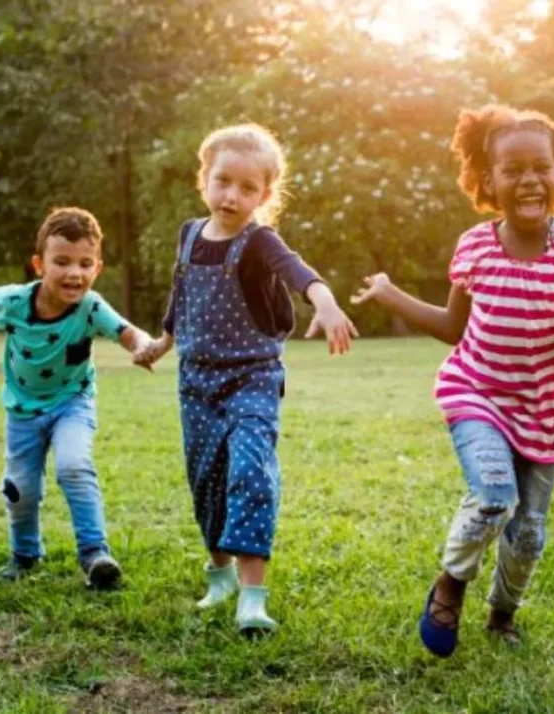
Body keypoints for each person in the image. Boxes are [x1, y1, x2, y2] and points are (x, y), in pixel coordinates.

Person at [352, 104, 554, 657]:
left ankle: (502, 614)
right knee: (493, 498)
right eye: (512, 170)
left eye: (541, 167)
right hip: (477, 393)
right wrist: (391, 294)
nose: (529, 180)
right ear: (489, 181)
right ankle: (451, 583)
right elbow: (451, 326)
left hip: (544, 408)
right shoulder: (474, 247)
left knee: (529, 533)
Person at [134, 124, 357, 633]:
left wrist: (325, 300)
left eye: (247, 187)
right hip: (196, 383)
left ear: (264, 195)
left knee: (250, 471)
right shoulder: (189, 235)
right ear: (204, 180)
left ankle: (253, 597)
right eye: (223, 181)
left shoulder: (259, 241)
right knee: (207, 479)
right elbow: (181, 296)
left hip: (253, 377)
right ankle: (221, 577)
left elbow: (299, 271)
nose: (232, 195)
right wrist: (162, 344)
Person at [0, 207, 153, 588]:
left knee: (75, 465)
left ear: (97, 269)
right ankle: (25, 554)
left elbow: (129, 333)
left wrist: (144, 347)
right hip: (23, 411)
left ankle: (95, 554)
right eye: (61, 261)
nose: (74, 273)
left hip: (71, 404)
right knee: (20, 490)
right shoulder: (12, 301)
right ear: (38, 264)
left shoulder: (91, 307)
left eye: (84, 263)